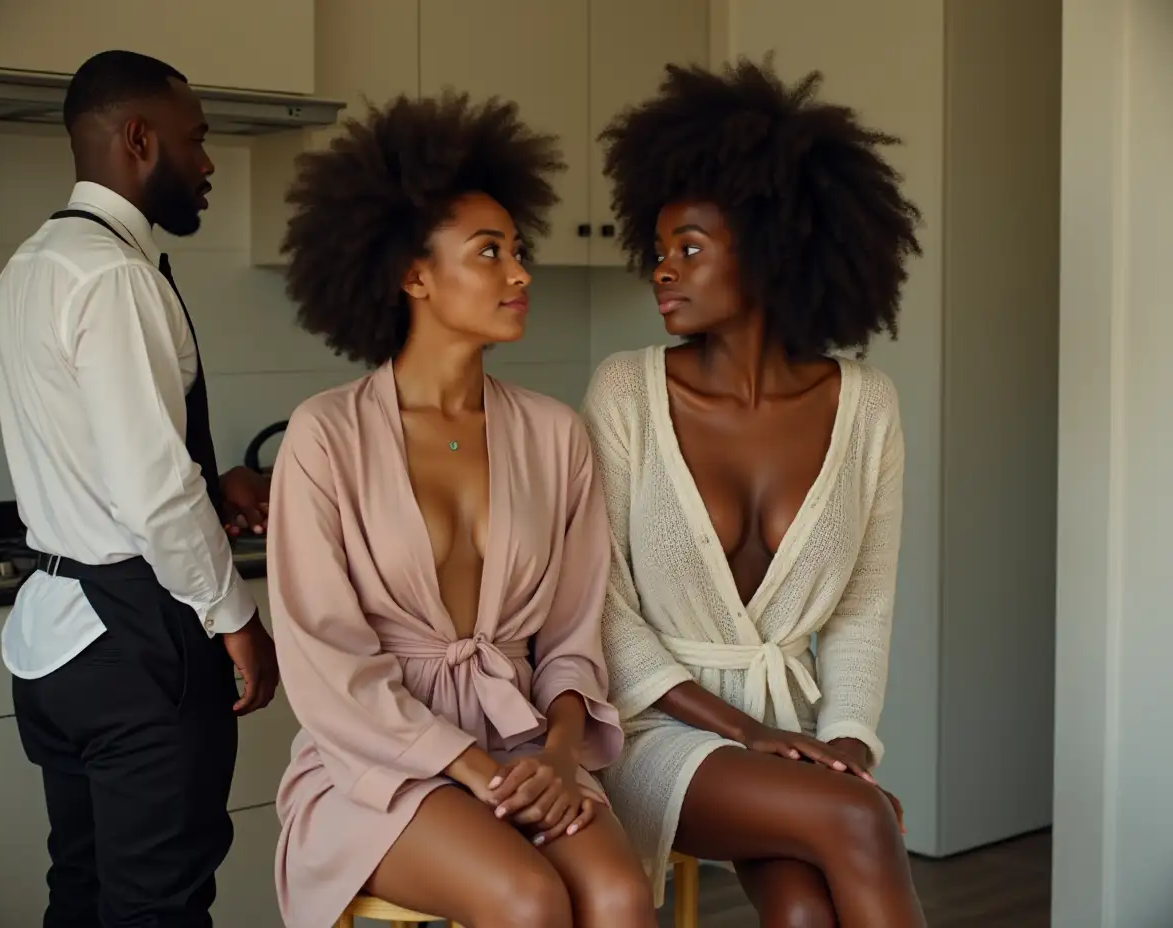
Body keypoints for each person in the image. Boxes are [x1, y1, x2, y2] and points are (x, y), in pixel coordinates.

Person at [266, 90, 655, 928]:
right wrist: (477, 773)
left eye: (518, 250)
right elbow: (328, 664)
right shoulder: (325, 436)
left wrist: (554, 758)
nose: (519, 274)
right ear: (414, 274)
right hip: (377, 760)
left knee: (621, 896)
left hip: (526, 746)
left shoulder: (557, 436)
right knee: (526, 899)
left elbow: (575, 636)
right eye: (489, 252)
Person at [583, 57, 927, 927]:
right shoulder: (625, 391)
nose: (663, 270)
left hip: (791, 733)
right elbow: (602, 607)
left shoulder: (868, 405)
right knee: (865, 818)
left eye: (689, 248)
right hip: (651, 728)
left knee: (809, 908)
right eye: (659, 251)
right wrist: (752, 737)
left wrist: (844, 740)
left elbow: (862, 609)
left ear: (773, 245)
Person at [0, 50, 279, 928]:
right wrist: (237, 617)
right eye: (198, 140)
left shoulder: (28, 270)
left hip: (57, 640)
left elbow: (93, 454)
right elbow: (152, 495)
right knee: (160, 909)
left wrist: (209, 476)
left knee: (81, 891)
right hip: (137, 639)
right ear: (139, 139)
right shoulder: (115, 277)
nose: (210, 163)